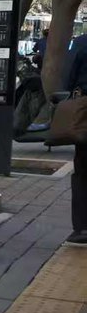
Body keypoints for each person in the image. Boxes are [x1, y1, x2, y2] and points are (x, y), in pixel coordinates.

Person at [66, 33, 87, 246]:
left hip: (84, 116)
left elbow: (69, 79)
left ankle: (82, 228)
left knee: (82, 172)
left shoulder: (81, 43)